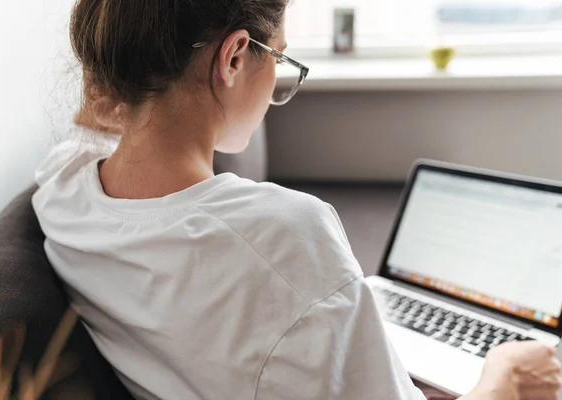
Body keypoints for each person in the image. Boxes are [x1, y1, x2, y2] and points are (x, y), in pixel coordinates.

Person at [32, 0, 562, 399]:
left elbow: (95, 125)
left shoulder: (64, 185)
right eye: (279, 57)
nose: (278, 79)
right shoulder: (286, 237)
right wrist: (503, 379)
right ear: (234, 56)